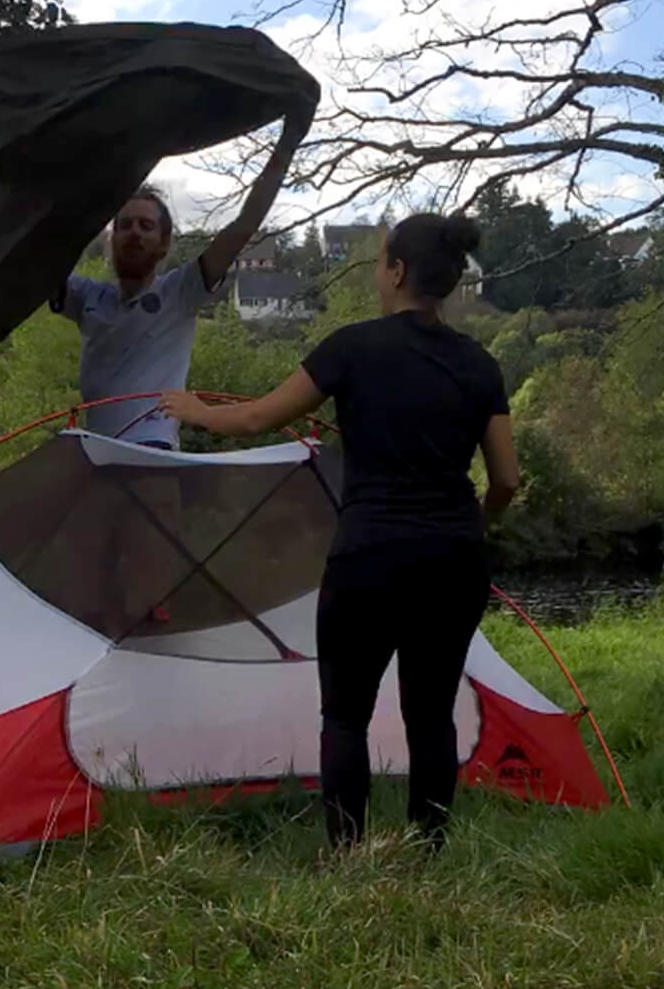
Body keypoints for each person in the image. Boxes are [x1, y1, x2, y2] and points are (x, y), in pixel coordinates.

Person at [161, 213, 520, 852]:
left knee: (346, 715)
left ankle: (348, 853)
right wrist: (476, 523)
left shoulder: (352, 348)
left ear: (398, 271)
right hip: (454, 558)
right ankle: (426, 850)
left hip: (371, 555)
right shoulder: (480, 365)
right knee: (431, 713)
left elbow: (255, 419)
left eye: (382, 261)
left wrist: (194, 411)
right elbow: (507, 480)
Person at [51, 104, 314, 448]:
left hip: (152, 450)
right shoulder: (86, 295)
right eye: (124, 225)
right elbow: (41, 251)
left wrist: (287, 145)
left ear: (164, 244)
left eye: (146, 226)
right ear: (110, 240)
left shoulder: (180, 291)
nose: (133, 233)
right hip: (94, 450)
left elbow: (243, 227)